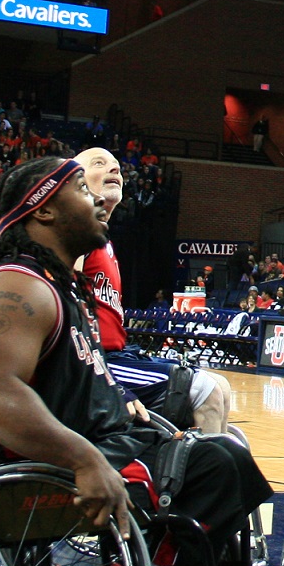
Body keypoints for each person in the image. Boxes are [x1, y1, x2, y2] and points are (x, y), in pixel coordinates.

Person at [0, 156, 272, 566]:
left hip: (95, 448)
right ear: (43, 212)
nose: (98, 199)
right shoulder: (16, 285)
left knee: (225, 455)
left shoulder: (59, 286)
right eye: (83, 189)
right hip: (42, 474)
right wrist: (84, 459)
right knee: (220, 466)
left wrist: (115, 401)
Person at [75, 148, 233, 433]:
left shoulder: (103, 239)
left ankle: (201, 464)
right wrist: (106, 382)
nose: (114, 169)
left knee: (221, 385)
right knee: (206, 391)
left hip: (120, 353)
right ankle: (201, 472)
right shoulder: (77, 234)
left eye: (117, 166)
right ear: (74, 179)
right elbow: (65, 308)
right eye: (99, 163)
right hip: (95, 360)